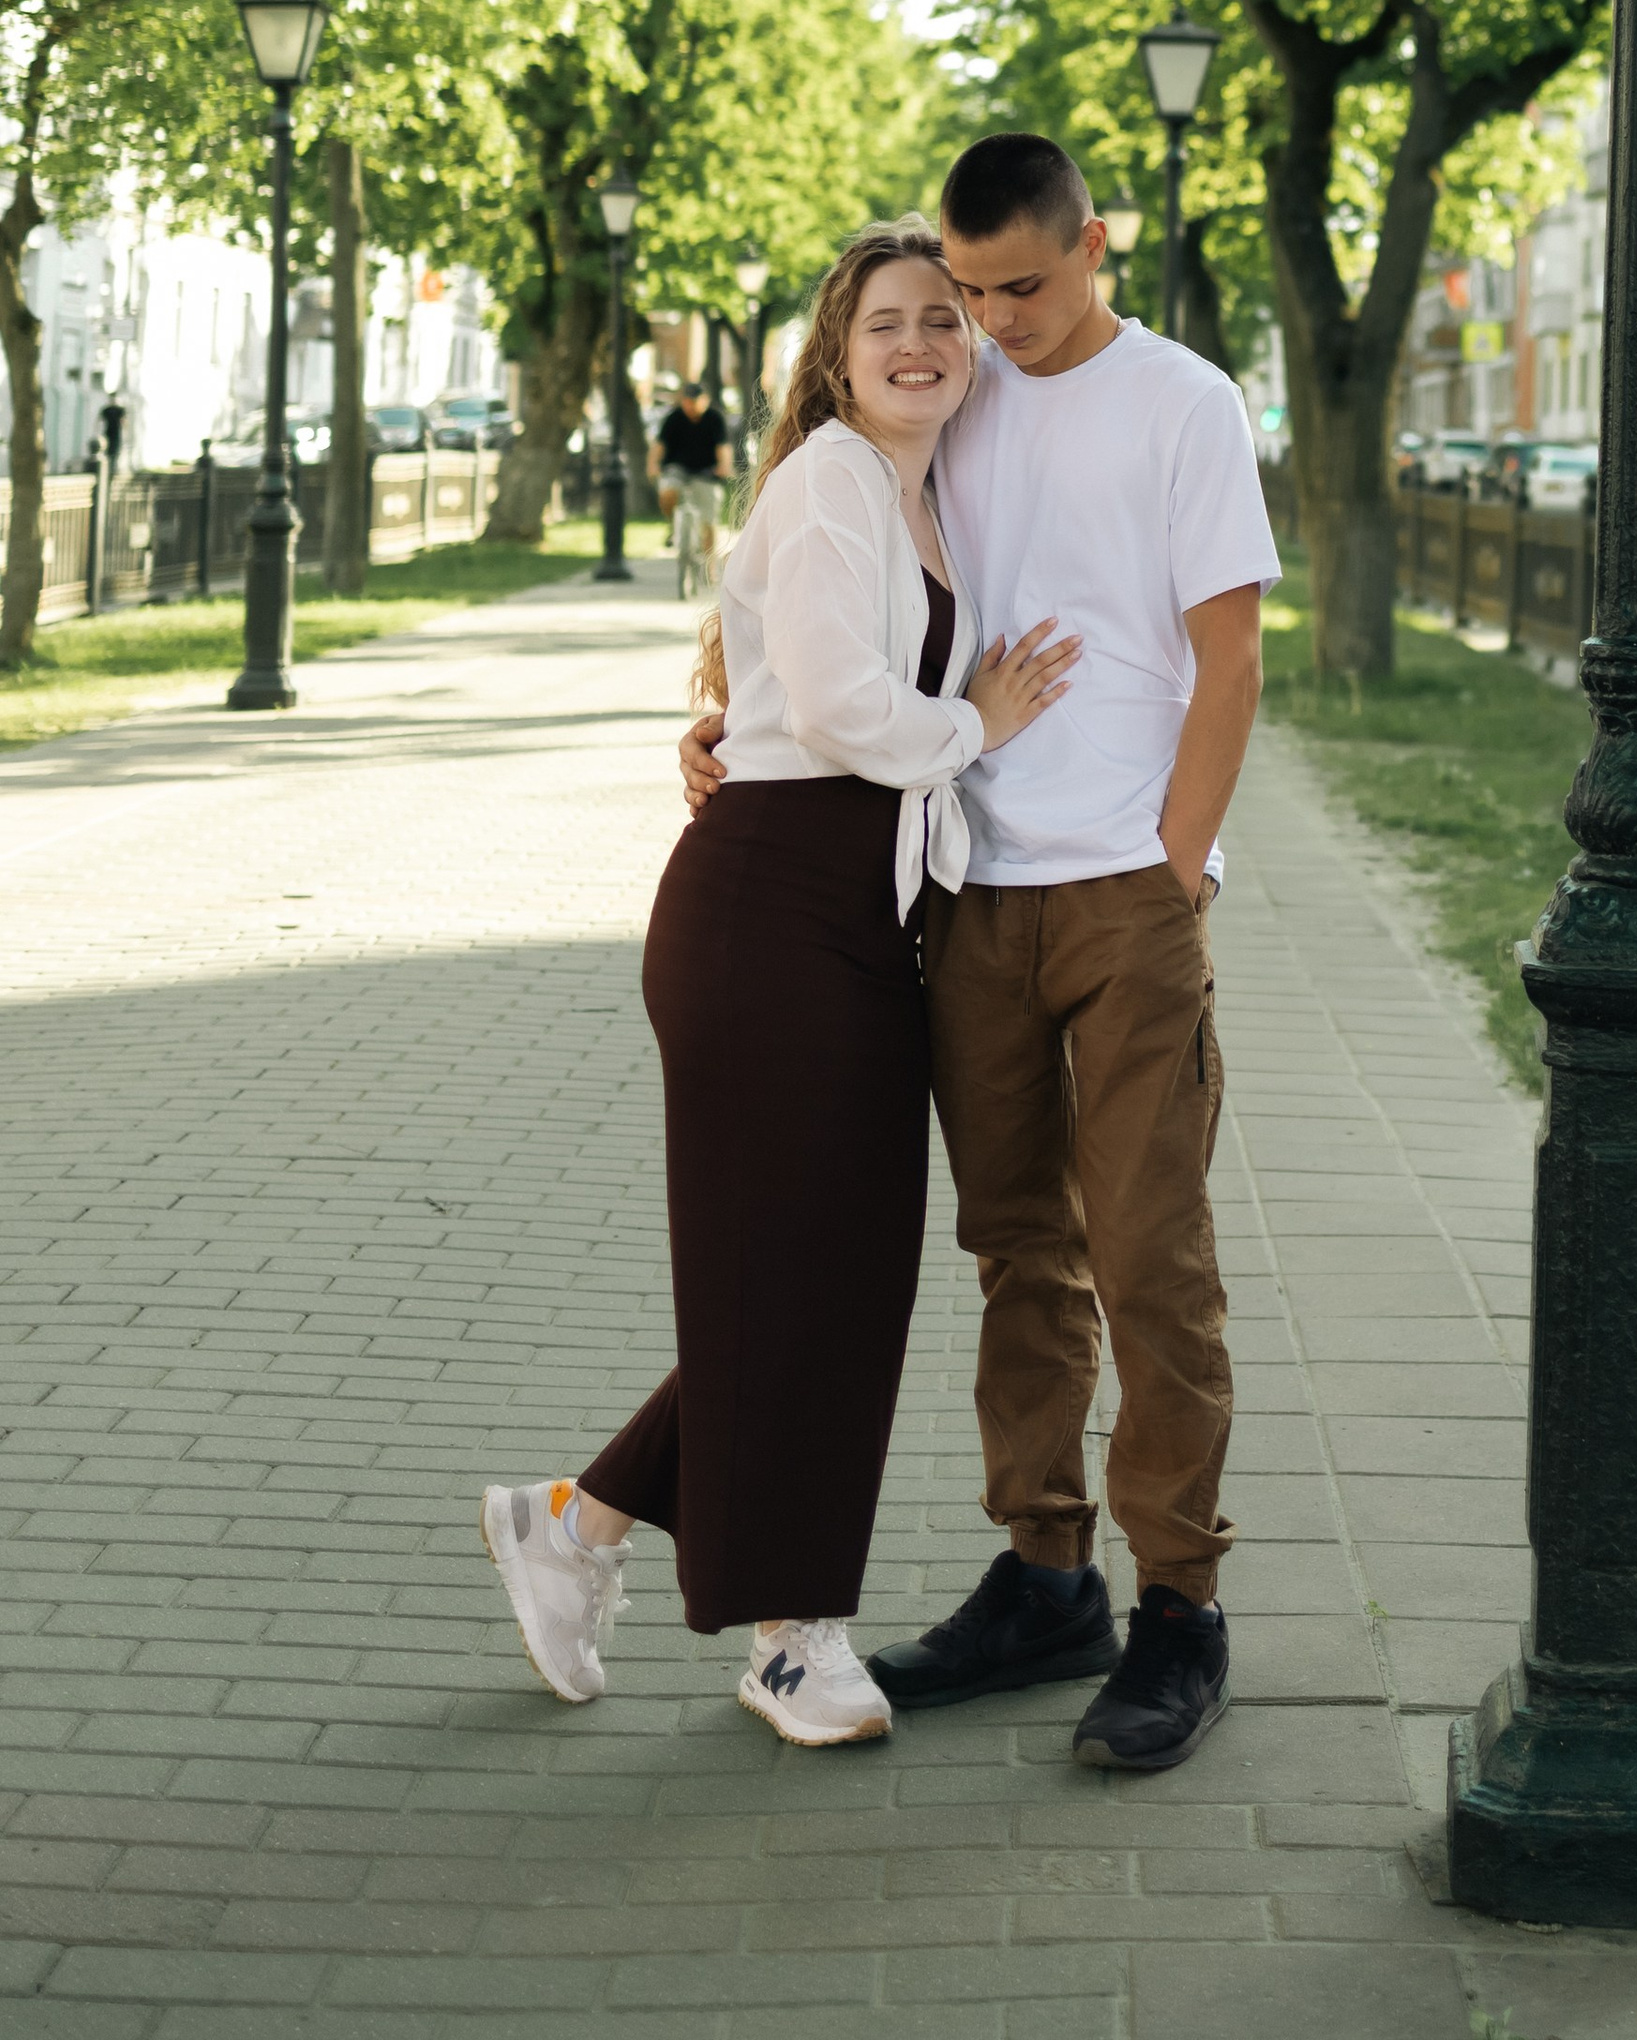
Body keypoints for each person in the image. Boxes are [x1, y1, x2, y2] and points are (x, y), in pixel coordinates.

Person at [682, 130, 1277, 1774]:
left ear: (1098, 243)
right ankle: (1045, 1575)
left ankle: (1180, 1607)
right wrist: (733, 704)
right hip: (962, 888)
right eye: (966, 291)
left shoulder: (1187, 403)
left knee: (1152, 1254)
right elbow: (817, 528)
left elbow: (1230, 659)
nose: (991, 320)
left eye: (1020, 285)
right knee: (1020, 1254)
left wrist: (1175, 867)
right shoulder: (957, 385)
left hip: (1126, 894)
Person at [481, 221, 1077, 1746]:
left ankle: (580, 1527)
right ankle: (794, 1636)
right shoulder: (829, 476)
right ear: (837, 346)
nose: (922, 342)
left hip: (855, 914)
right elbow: (835, 702)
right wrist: (980, 726)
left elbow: (777, 688)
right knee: (800, 1272)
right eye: (889, 321)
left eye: (945, 318)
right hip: (770, 911)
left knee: (834, 1273)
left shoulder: (916, 488)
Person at [649, 374, 732, 525]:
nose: (690, 406)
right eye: (687, 402)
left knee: (709, 519)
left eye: (694, 402)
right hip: (678, 468)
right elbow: (660, 445)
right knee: (668, 492)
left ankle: (709, 548)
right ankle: (672, 525)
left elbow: (723, 447)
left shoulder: (715, 418)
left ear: (704, 400)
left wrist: (724, 466)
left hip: (707, 471)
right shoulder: (674, 418)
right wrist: (653, 465)